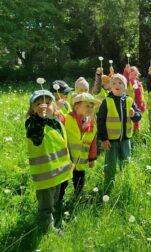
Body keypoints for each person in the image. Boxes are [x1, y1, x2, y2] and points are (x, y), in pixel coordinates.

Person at [25, 90, 72, 233]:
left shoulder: (56, 122)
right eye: (38, 104)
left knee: (55, 199)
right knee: (46, 205)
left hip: (59, 173)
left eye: (47, 102)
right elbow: (36, 134)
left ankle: (54, 217)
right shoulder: (33, 124)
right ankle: (47, 229)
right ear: (33, 109)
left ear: (54, 106)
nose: (43, 106)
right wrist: (40, 118)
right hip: (45, 175)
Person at [97, 74, 142, 191]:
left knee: (126, 161)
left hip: (126, 139)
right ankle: (108, 184)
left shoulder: (129, 100)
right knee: (110, 165)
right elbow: (100, 121)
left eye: (120, 83)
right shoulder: (106, 102)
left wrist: (134, 114)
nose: (117, 85)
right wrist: (104, 139)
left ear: (125, 87)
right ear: (110, 87)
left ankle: (126, 182)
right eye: (114, 83)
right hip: (111, 140)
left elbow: (138, 116)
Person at [58, 93, 100, 203]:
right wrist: (57, 108)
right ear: (76, 107)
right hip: (67, 161)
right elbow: (55, 121)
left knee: (80, 183)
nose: (90, 109)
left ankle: (77, 200)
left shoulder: (92, 124)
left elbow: (93, 143)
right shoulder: (66, 118)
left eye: (92, 107)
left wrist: (92, 158)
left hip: (81, 162)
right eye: (87, 106)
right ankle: (58, 201)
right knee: (63, 183)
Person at [123, 64, 146, 133]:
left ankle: (136, 131)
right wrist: (126, 71)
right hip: (129, 104)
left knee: (137, 119)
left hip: (138, 104)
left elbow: (142, 94)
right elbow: (125, 78)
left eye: (135, 74)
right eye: (131, 74)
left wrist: (143, 103)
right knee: (128, 119)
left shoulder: (139, 83)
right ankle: (127, 131)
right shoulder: (127, 83)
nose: (134, 76)